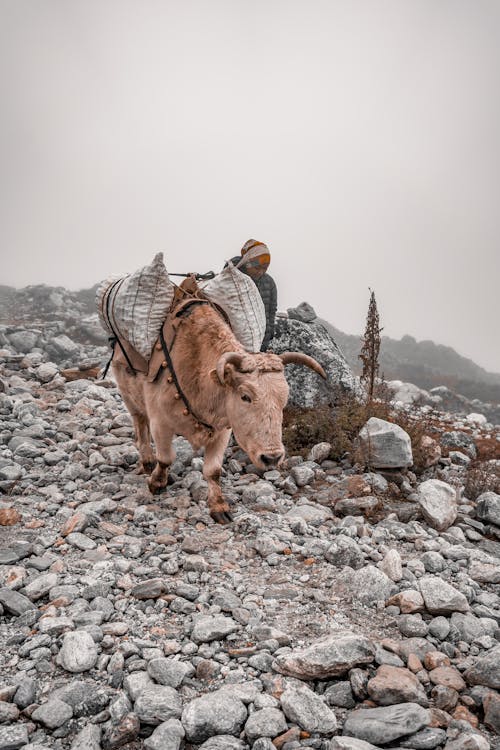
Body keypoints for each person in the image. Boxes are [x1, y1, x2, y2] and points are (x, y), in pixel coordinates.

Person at [230, 239, 278, 352]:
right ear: (247, 263)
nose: (260, 272)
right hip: (236, 343)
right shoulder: (231, 279)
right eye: (257, 268)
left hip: (261, 342)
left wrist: (269, 331)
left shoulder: (269, 282)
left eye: (264, 269)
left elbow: (272, 310)